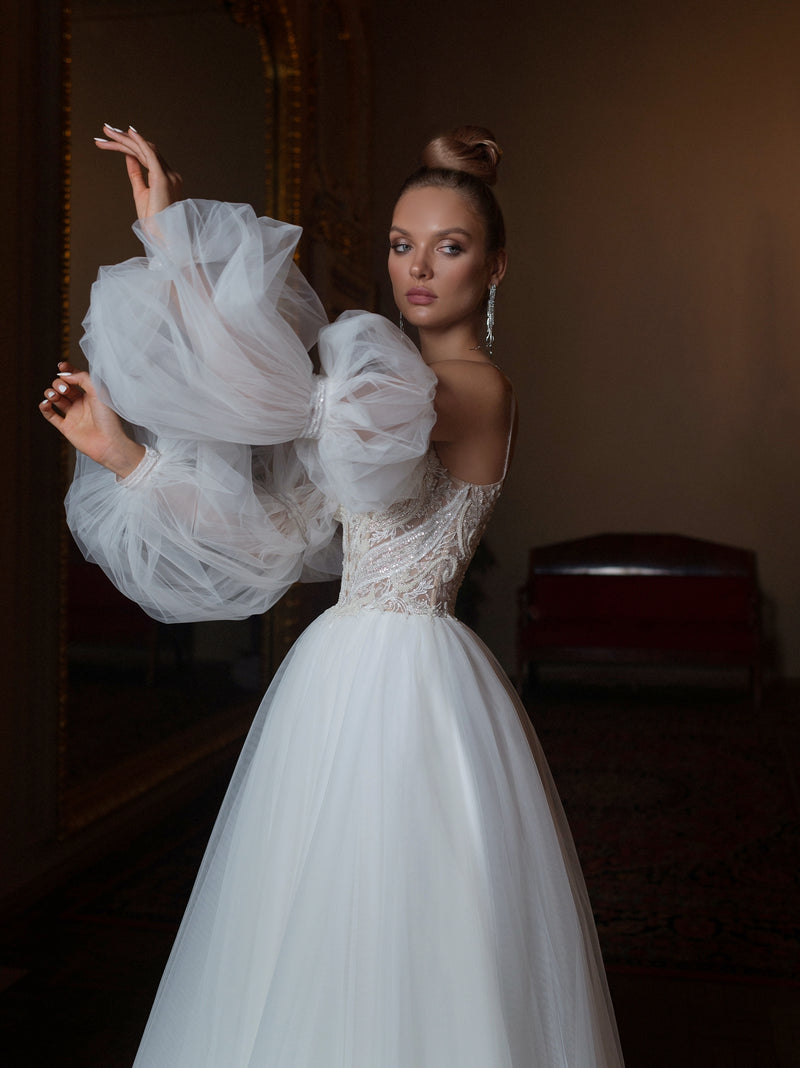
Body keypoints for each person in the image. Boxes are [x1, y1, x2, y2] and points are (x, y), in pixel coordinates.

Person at [40, 125, 624, 1067]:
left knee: (407, 932)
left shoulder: (469, 390)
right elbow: (275, 528)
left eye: (451, 245)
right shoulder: (382, 390)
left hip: (409, 682)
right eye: (402, 244)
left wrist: (179, 251)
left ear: (497, 266)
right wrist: (127, 457)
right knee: (303, 928)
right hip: (340, 670)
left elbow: (273, 402)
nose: (418, 270)